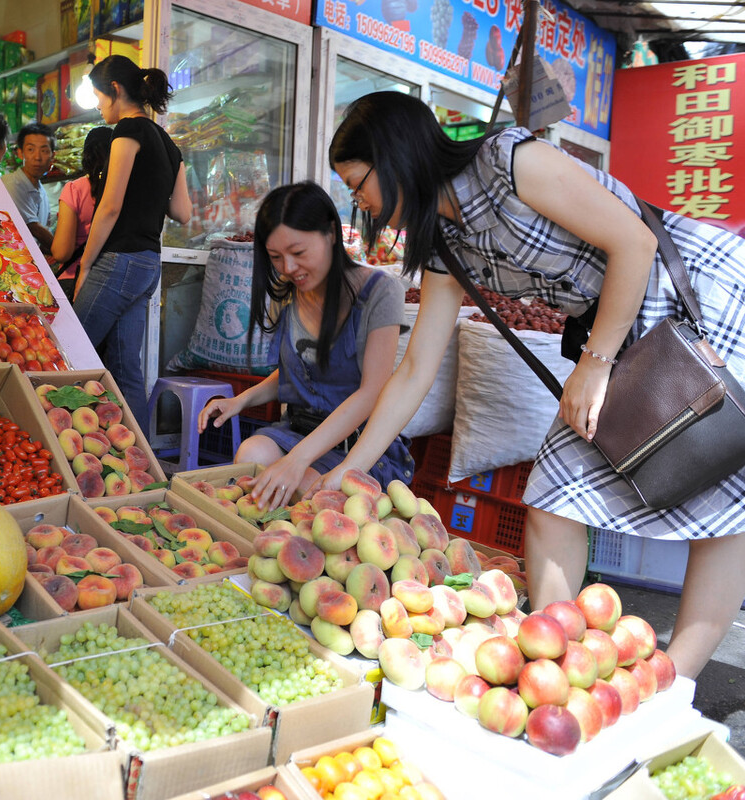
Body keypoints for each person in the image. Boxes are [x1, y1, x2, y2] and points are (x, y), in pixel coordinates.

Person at [319, 90, 745, 679]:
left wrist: (592, 366)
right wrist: (352, 469)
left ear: (394, 156)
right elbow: (415, 368)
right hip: (618, 327)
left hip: (691, 295)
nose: (357, 199)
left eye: (357, 181)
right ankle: (562, 668)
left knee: (723, 492)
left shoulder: (509, 161)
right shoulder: (444, 243)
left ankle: (675, 684)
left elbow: (636, 243)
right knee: (553, 497)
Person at [197, 182, 413, 512]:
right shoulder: (287, 294)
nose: (288, 268)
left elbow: (373, 393)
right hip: (299, 430)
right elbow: (299, 372)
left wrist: (297, 460)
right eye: (275, 258)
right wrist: (239, 402)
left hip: (358, 446)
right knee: (251, 456)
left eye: (298, 253)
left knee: (306, 491)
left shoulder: (380, 292)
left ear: (330, 233)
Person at [74, 54, 192, 428]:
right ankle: (146, 466)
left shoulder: (126, 132)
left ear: (115, 90)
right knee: (126, 370)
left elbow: (109, 207)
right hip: (147, 265)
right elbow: (183, 212)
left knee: (71, 353)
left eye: (97, 96)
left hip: (119, 262)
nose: (96, 106)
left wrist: (87, 263)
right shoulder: (169, 145)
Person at [51, 126, 113, 304]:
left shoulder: (75, 189)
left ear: (86, 156)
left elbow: (62, 253)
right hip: (111, 284)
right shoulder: (123, 192)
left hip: (75, 281)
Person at [1, 121, 56, 251]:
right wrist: (64, 252)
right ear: (20, 153)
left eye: (44, 150)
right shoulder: (12, 184)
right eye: (30, 149)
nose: (37, 157)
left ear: (52, 156)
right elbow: (35, 229)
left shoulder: (42, 191)